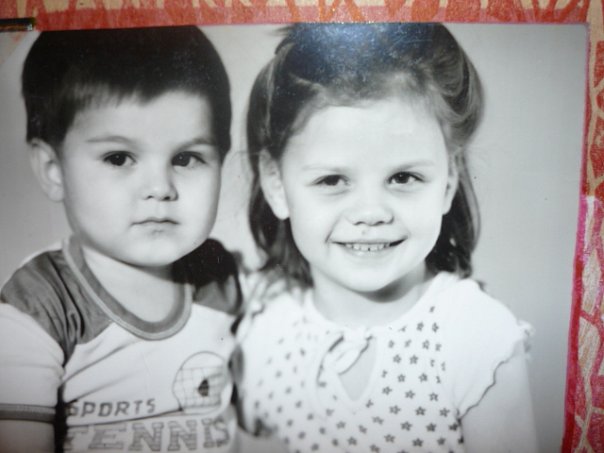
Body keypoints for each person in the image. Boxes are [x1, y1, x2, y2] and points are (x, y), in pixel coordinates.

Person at [237, 23, 538, 452]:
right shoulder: (265, 332)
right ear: (276, 184)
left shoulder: (476, 337)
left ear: (449, 180)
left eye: (403, 177)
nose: (371, 213)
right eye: (332, 180)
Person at [0, 26, 241, 452]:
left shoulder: (223, 278)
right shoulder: (39, 305)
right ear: (53, 170)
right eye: (119, 158)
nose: (159, 188)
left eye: (186, 158)